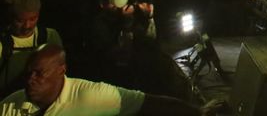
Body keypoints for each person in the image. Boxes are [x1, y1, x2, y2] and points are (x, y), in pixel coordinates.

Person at [0, 44, 219, 115]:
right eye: (29, 73)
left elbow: (149, 102)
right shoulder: (11, 105)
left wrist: (198, 113)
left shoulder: (91, 96)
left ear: (61, 71)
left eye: (40, 73)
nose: (31, 79)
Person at [0, 0, 63, 97]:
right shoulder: (2, 42)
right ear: (11, 17)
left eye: (33, 19)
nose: (27, 26)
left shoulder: (49, 36)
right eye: (20, 21)